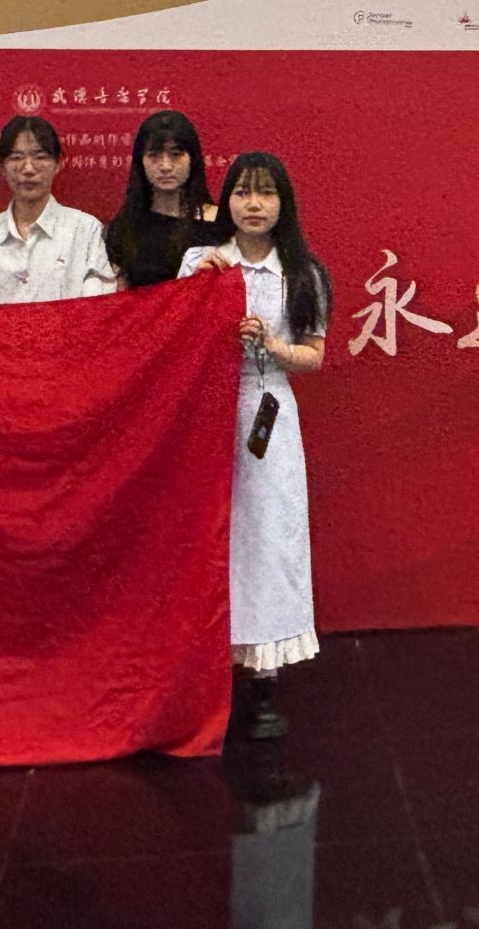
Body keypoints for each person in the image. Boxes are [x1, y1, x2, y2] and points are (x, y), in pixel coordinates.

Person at [180, 151, 330, 739]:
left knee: (268, 537)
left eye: (266, 193)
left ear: (283, 203)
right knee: (213, 534)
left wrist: (271, 346)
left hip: (269, 412)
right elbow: (175, 338)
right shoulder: (203, 261)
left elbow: (314, 356)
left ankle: (265, 677)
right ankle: (211, 665)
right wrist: (202, 289)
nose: (253, 204)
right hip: (207, 415)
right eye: (242, 192)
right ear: (227, 201)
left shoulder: (303, 273)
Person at [0, 116, 116, 305]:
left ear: (58, 163)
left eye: (40, 157)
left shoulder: (85, 229)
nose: (28, 169)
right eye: (16, 157)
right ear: (2, 167)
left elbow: (97, 305)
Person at [106, 109, 220, 291]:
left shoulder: (220, 223)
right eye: (154, 155)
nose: (165, 166)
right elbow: (120, 299)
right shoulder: (124, 227)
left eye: (176, 154)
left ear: (193, 159)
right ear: (140, 161)